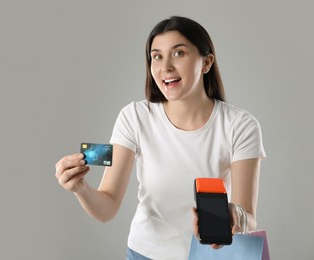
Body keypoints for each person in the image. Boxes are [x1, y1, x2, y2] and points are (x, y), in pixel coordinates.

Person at [55, 16, 266, 260]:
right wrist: (81, 188)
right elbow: (107, 207)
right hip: (144, 254)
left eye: (178, 54)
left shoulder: (241, 125)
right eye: (157, 56)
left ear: (206, 62)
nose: (165, 66)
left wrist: (234, 216)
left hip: (210, 255)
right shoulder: (134, 117)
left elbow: (248, 216)